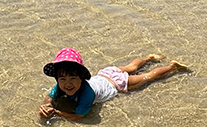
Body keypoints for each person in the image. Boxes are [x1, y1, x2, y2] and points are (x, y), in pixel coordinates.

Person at [38, 48, 188, 121]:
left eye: (73, 78)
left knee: (147, 77)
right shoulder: (60, 86)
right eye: (62, 79)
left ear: (82, 77)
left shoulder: (87, 93)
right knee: (131, 68)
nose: (67, 84)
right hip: (104, 74)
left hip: (116, 83)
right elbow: (49, 97)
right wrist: (47, 105)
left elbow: (79, 116)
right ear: (57, 79)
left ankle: (172, 67)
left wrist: (57, 113)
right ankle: (148, 58)